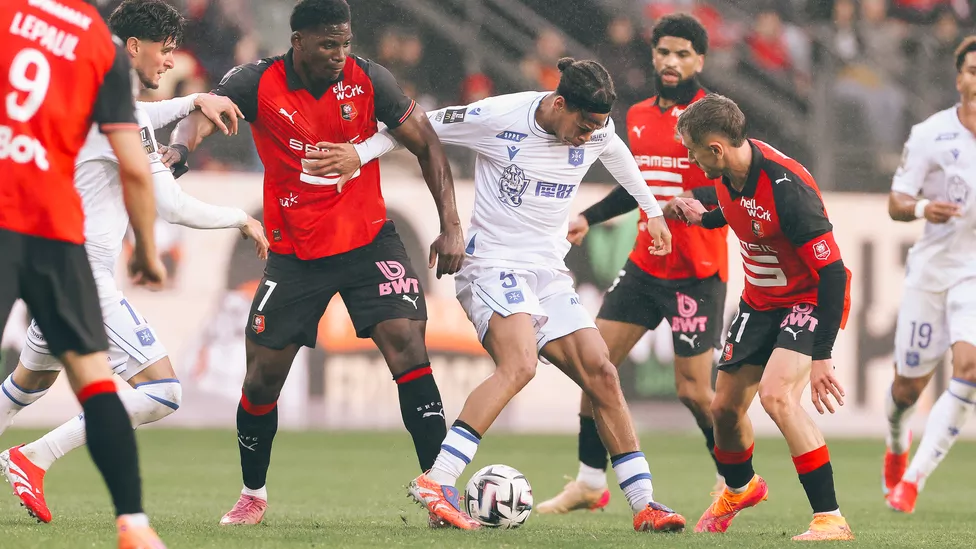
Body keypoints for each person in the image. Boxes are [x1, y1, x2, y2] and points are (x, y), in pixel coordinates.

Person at [306, 57, 687, 533]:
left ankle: (645, 504)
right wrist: (359, 155)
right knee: (520, 364)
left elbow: (617, 155)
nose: (590, 136)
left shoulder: (596, 129)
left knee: (603, 373)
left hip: (547, 271)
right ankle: (439, 480)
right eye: (584, 125)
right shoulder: (500, 117)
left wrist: (651, 211)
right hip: (491, 264)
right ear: (559, 102)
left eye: (598, 127)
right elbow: (419, 127)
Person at [164, 0, 465, 526]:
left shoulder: (371, 80)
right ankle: (252, 493)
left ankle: (440, 493)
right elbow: (200, 118)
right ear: (297, 40)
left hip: (369, 240)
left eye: (345, 43)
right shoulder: (256, 83)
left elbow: (428, 143)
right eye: (328, 44)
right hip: (296, 254)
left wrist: (452, 224)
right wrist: (179, 153)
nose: (339, 55)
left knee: (408, 345)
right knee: (262, 376)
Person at [0, 0, 265, 525]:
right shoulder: (114, 100)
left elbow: (143, 118)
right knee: (162, 391)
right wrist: (241, 218)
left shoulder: (88, 85)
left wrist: (194, 99)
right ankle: (34, 457)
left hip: (49, 256)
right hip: (83, 276)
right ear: (133, 47)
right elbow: (170, 206)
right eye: (165, 53)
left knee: (27, 384)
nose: (170, 62)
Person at [537, 13, 729, 515]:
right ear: (653, 55)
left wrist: (694, 197)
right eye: (664, 51)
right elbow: (636, 186)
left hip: (696, 268)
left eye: (683, 53)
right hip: (646, 263)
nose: (671, 61)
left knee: (693, 390)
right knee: (594, 364)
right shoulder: (638, 114)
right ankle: (587, 482)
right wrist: (589, 216)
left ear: (700, 60)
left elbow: (734, 179)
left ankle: (732, 480)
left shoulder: (713, 114)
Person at [0, 0, 168, 546]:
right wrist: (146, 248)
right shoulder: (98, 44)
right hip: (56, 236)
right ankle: (134, 525)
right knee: (99, 384)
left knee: (32, 380)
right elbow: (136, 164)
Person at [672, 93, 854, 541]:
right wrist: (706, 218)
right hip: (759, 303)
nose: (691, 160)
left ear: (716, 148)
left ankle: (830, 518)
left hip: (809, 299)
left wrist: (821, 354)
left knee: (776, 397)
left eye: (694, 151)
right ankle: (741, 487)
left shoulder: (787, 188)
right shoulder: (728, 173)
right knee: (724, 409)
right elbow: (746, 216)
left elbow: (831, 272)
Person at [884, 36, 976, 514]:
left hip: (974, 276)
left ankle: (913, 481)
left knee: (970, 369)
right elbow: (896, 201)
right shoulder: (930, 134)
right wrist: (924, 207)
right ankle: (897, 441)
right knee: (907, 389)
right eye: (973, 70)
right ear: (958, 77)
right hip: (932, 271)